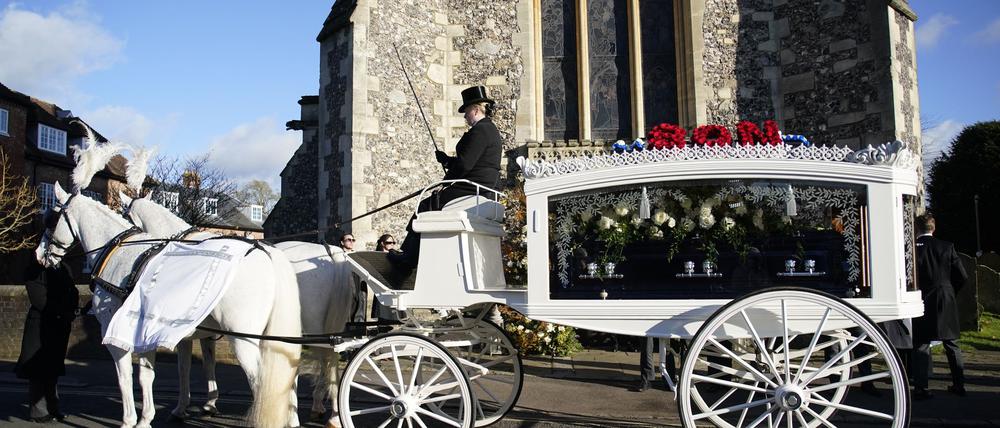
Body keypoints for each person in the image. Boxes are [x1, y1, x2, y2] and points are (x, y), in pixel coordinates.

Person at [388, 85, 503, 270]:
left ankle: (410, 256)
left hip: (472, 186)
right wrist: (448, 161)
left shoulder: (480, 131)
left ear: (475, 109)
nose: (464, 116)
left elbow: (465, 165)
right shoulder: (489, 129)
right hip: (480, 184)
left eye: (466, 111)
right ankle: (413, 253)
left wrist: (445, 182)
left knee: (426, 205)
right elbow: (472, 160)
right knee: (431, 202)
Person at [911, 214, 968, 399]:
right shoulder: (947, 247)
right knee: (951, 343)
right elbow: (962, 275)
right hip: (945, 296)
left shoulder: (912, 248)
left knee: (921, 342)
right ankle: (959, 384)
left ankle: (920, 387)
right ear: (933, 228)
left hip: (921, 297)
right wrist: (950, 291)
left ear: (917, 229)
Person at [15, 261, 79, 423]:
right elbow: (39, 300)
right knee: (38, 369)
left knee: (53, 369)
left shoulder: (64, 267)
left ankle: (53, 408)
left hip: (59, 326)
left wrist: (72, 309)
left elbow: (73, 291)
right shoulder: (35, 270)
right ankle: (39, 412)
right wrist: (62, 313)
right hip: (40, 325)